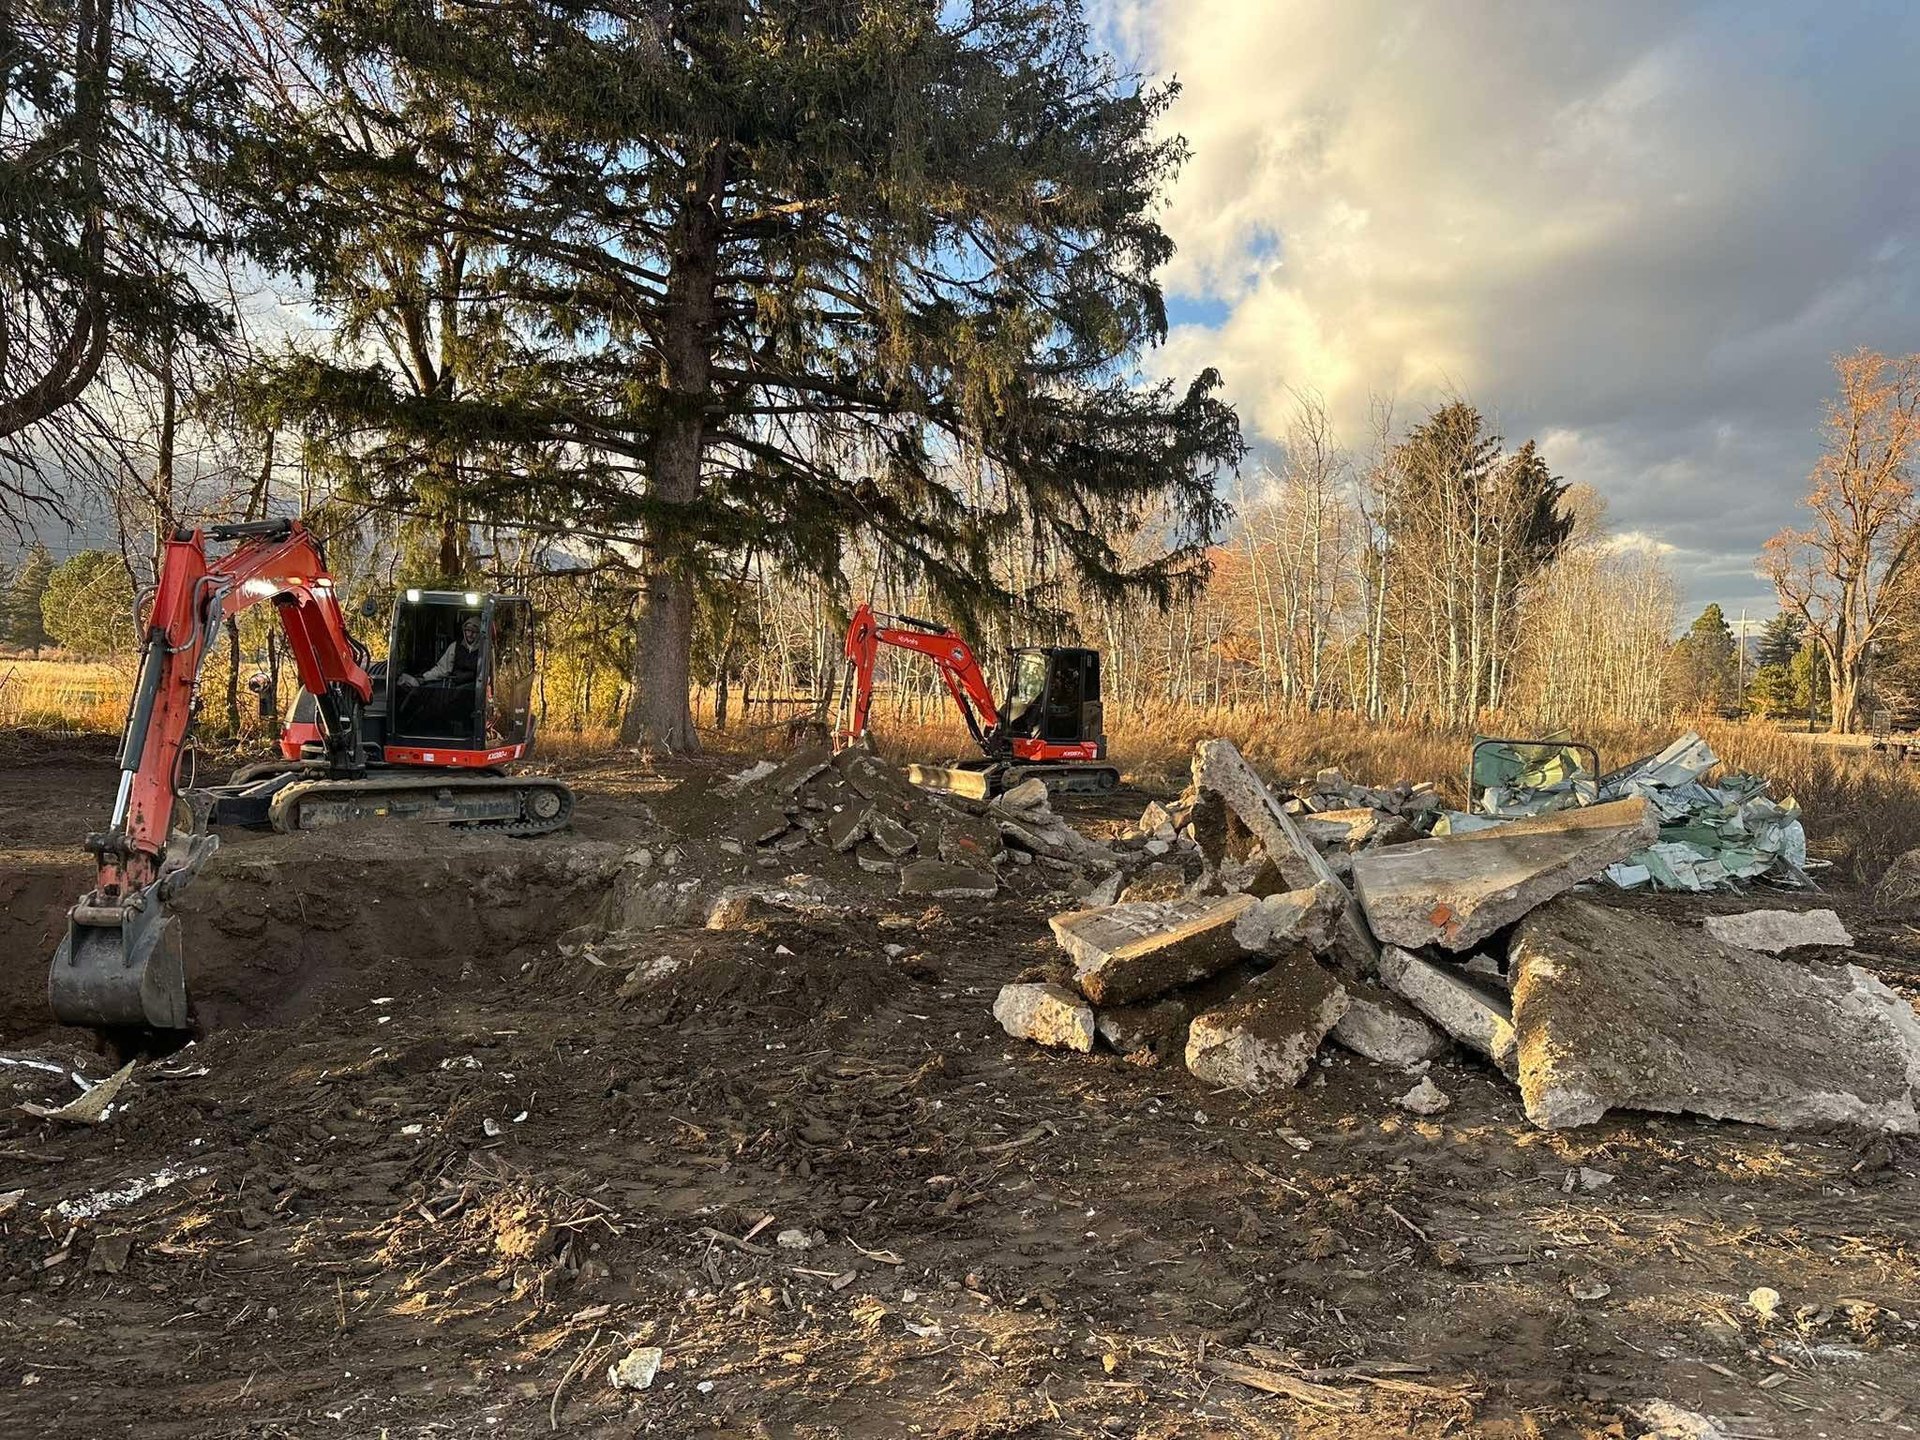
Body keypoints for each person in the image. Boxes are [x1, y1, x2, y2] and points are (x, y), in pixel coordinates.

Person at [398, 614, 484, 730]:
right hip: (454, 686)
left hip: (474, 691)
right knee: (429, 695)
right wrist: (423, 678)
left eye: (474, 631)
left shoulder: (485, 650)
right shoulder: (455, 647)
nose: (469, 634)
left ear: (480, 632)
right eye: (467, 630)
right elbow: (442, 669)